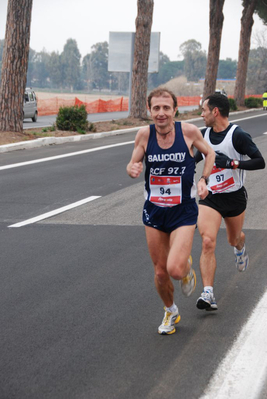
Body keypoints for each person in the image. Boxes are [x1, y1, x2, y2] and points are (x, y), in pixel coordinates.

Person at [126, 88, 215, 334]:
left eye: (166, 108)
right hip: (154, 211)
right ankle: (170, 311)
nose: (161, 113)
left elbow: (210, 153)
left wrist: (204, 179)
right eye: (156, 108)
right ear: (150, 110)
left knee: (175, 269)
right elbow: (134, 162)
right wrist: (131, 169)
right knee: (161, 272)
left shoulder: (188, 132)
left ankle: (186, 269)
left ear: (175, 109)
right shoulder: (144, 135)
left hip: (183, 210)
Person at [195, 93, 265, 311]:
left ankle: (240, 246)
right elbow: (191, 159)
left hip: (234, 197)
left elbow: (260, 162)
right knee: (207, 241)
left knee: (233, 239)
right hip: (211, 197)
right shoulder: (203, 135)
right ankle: (208, 293)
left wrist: (233, 163)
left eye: (204, 110)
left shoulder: (238, 135)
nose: (201, 114)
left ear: (215, 111)